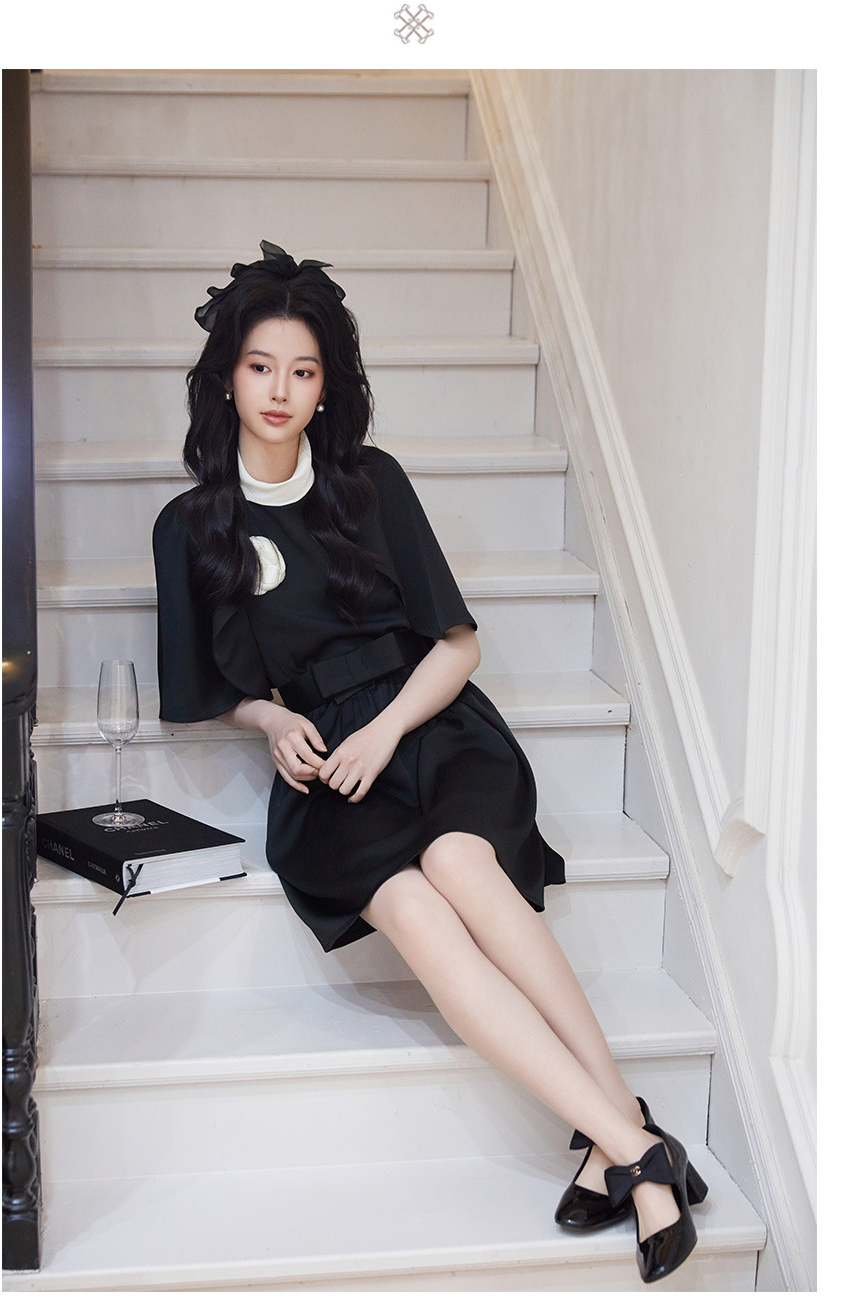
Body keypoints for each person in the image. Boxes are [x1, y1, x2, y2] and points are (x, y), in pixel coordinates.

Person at [152, 240, 708, 1284]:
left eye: (304, 370)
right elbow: (205, 688)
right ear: (227, 375)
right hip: (327, 772)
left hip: (432, 727)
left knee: (459, 862)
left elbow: (457, 645)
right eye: (262, 366)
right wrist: (272, 721)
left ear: (328, 386)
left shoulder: (370, 484)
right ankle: (633, 1141)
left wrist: (386, 729)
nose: (281, 390)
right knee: (411, 907)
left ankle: (628, 1147)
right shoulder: (190, 526)